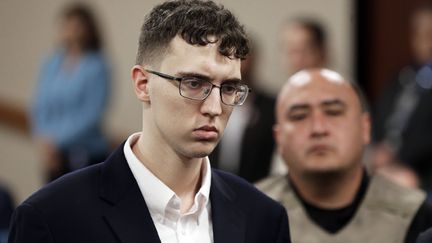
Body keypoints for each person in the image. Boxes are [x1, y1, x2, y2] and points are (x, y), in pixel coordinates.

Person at [9, 1, 291, 242]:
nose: (215, 108)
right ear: (143, 84)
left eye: (229, 88)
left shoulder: (264, 218)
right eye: (194, 83)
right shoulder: (52, 218)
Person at [257, 68, 432, 243]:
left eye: (334, 112)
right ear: (278, 138)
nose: (318, 128)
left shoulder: (415, 215)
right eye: (300, 116)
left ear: (365, 128)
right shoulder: (250, 210)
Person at [30, 4, 111, 181]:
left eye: (77, 25)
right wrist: (44, 140)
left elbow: (91, 114)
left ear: (88, 29)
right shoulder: (52, 62)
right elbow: (40, 104)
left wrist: (57, 141)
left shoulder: (97, 66)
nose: (71, 30)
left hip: (85, 152)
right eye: (67, 25)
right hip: (52, 154)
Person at [372, 4, 432, 193]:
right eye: (420, 34)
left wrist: (398, 157)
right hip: (385, 166)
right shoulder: (402, 77)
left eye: (431, 34)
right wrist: (379, 150)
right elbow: (378, 117)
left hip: (421, 173)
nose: (426, 42)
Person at [210, 41, 276, 183]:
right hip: (214, 182)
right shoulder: (211, 101)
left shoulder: (270, 106)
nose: (239, 63)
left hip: (257, 185)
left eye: (244, 57)